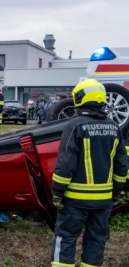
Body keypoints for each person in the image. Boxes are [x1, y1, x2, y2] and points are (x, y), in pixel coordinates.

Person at [50, 78, 128, 267]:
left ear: (81, 98)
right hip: (103, 201)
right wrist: (117, 192)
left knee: (66, 238)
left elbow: (65, 163)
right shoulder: (114, 127)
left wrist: (57, 192)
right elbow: (122, 165)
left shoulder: (75, 126)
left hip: (75, 200)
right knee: (96, 240)